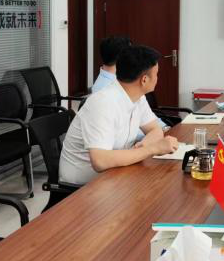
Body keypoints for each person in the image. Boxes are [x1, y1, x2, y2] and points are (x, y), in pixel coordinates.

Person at [59, 45, 179, 185]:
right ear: (144, 80)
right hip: (84, 188)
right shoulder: (102, 103)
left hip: (117, 174)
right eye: (157, 74)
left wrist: (143, 147)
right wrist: (152, 149)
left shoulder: (138, 97)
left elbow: (155, 129)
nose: (158, 78)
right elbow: (100, 161)